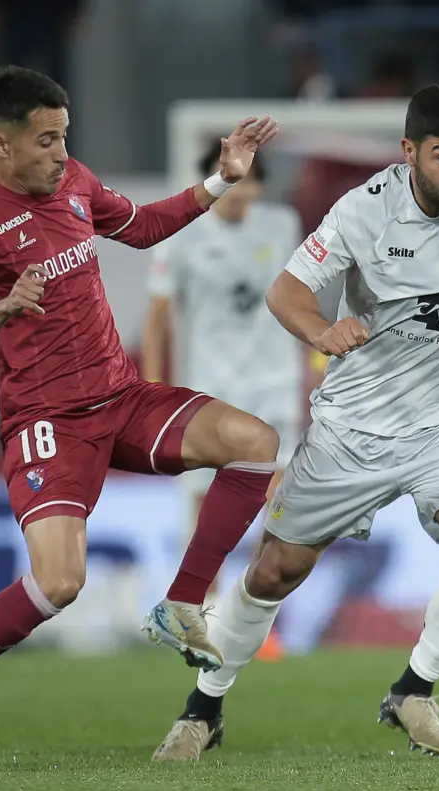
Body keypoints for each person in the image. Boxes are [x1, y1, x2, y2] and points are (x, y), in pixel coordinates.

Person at [151, 85, 439, 762]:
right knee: (274, 572)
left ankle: (413, 688)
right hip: (355, 428)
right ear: (409, 152)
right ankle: (203, 707)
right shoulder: (363, 212)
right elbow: (287, 291)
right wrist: (322, 330)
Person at [0, 66, 279, 766]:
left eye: (64, 136)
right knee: (61, 583)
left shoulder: (73, 183)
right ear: (1, 145)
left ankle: (180, 603)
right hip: (47, 421)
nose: (61, 153)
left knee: (254, 443)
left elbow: (141, 226)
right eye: (45, 140)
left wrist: (220, 180)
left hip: (121, 397)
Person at [141, 144, 319, 661]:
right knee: (203, 505)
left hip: (271, 386)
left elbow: (306, 295)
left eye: (249, 181)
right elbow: (157, 319)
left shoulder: (282, 226)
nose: (240, 191)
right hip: (209, 391)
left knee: (281, 506)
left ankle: (257, 618)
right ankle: (206, 617)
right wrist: (153, 389)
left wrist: (315, 367)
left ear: (261, 186)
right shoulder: (181, 233)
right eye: (230, 180)